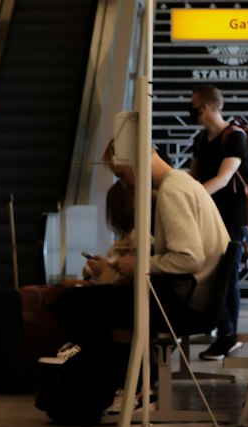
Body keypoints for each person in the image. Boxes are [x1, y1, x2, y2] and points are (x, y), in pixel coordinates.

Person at [52, 146, 229, 396]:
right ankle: (126, 379)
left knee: (71, 304)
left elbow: (189, 258)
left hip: (182, 304)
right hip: (192, 299)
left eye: (121, 175)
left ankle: (118, 382)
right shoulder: (182, 183)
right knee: (89, 302)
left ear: (134, 161)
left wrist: (140, 265)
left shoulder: (173, 191)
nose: (123, 185)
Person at [187, 85, 248, 359]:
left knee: (227, 276)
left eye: (196, 105)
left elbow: (225, 178)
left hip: (230, 217)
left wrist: (191, 198)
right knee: (210, 273)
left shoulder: (236, 137)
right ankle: (219, 327)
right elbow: (192, 176)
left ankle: (229, 337)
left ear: (211, 106)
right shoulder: (201, 140)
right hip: (205, 216)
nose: (192, 110)